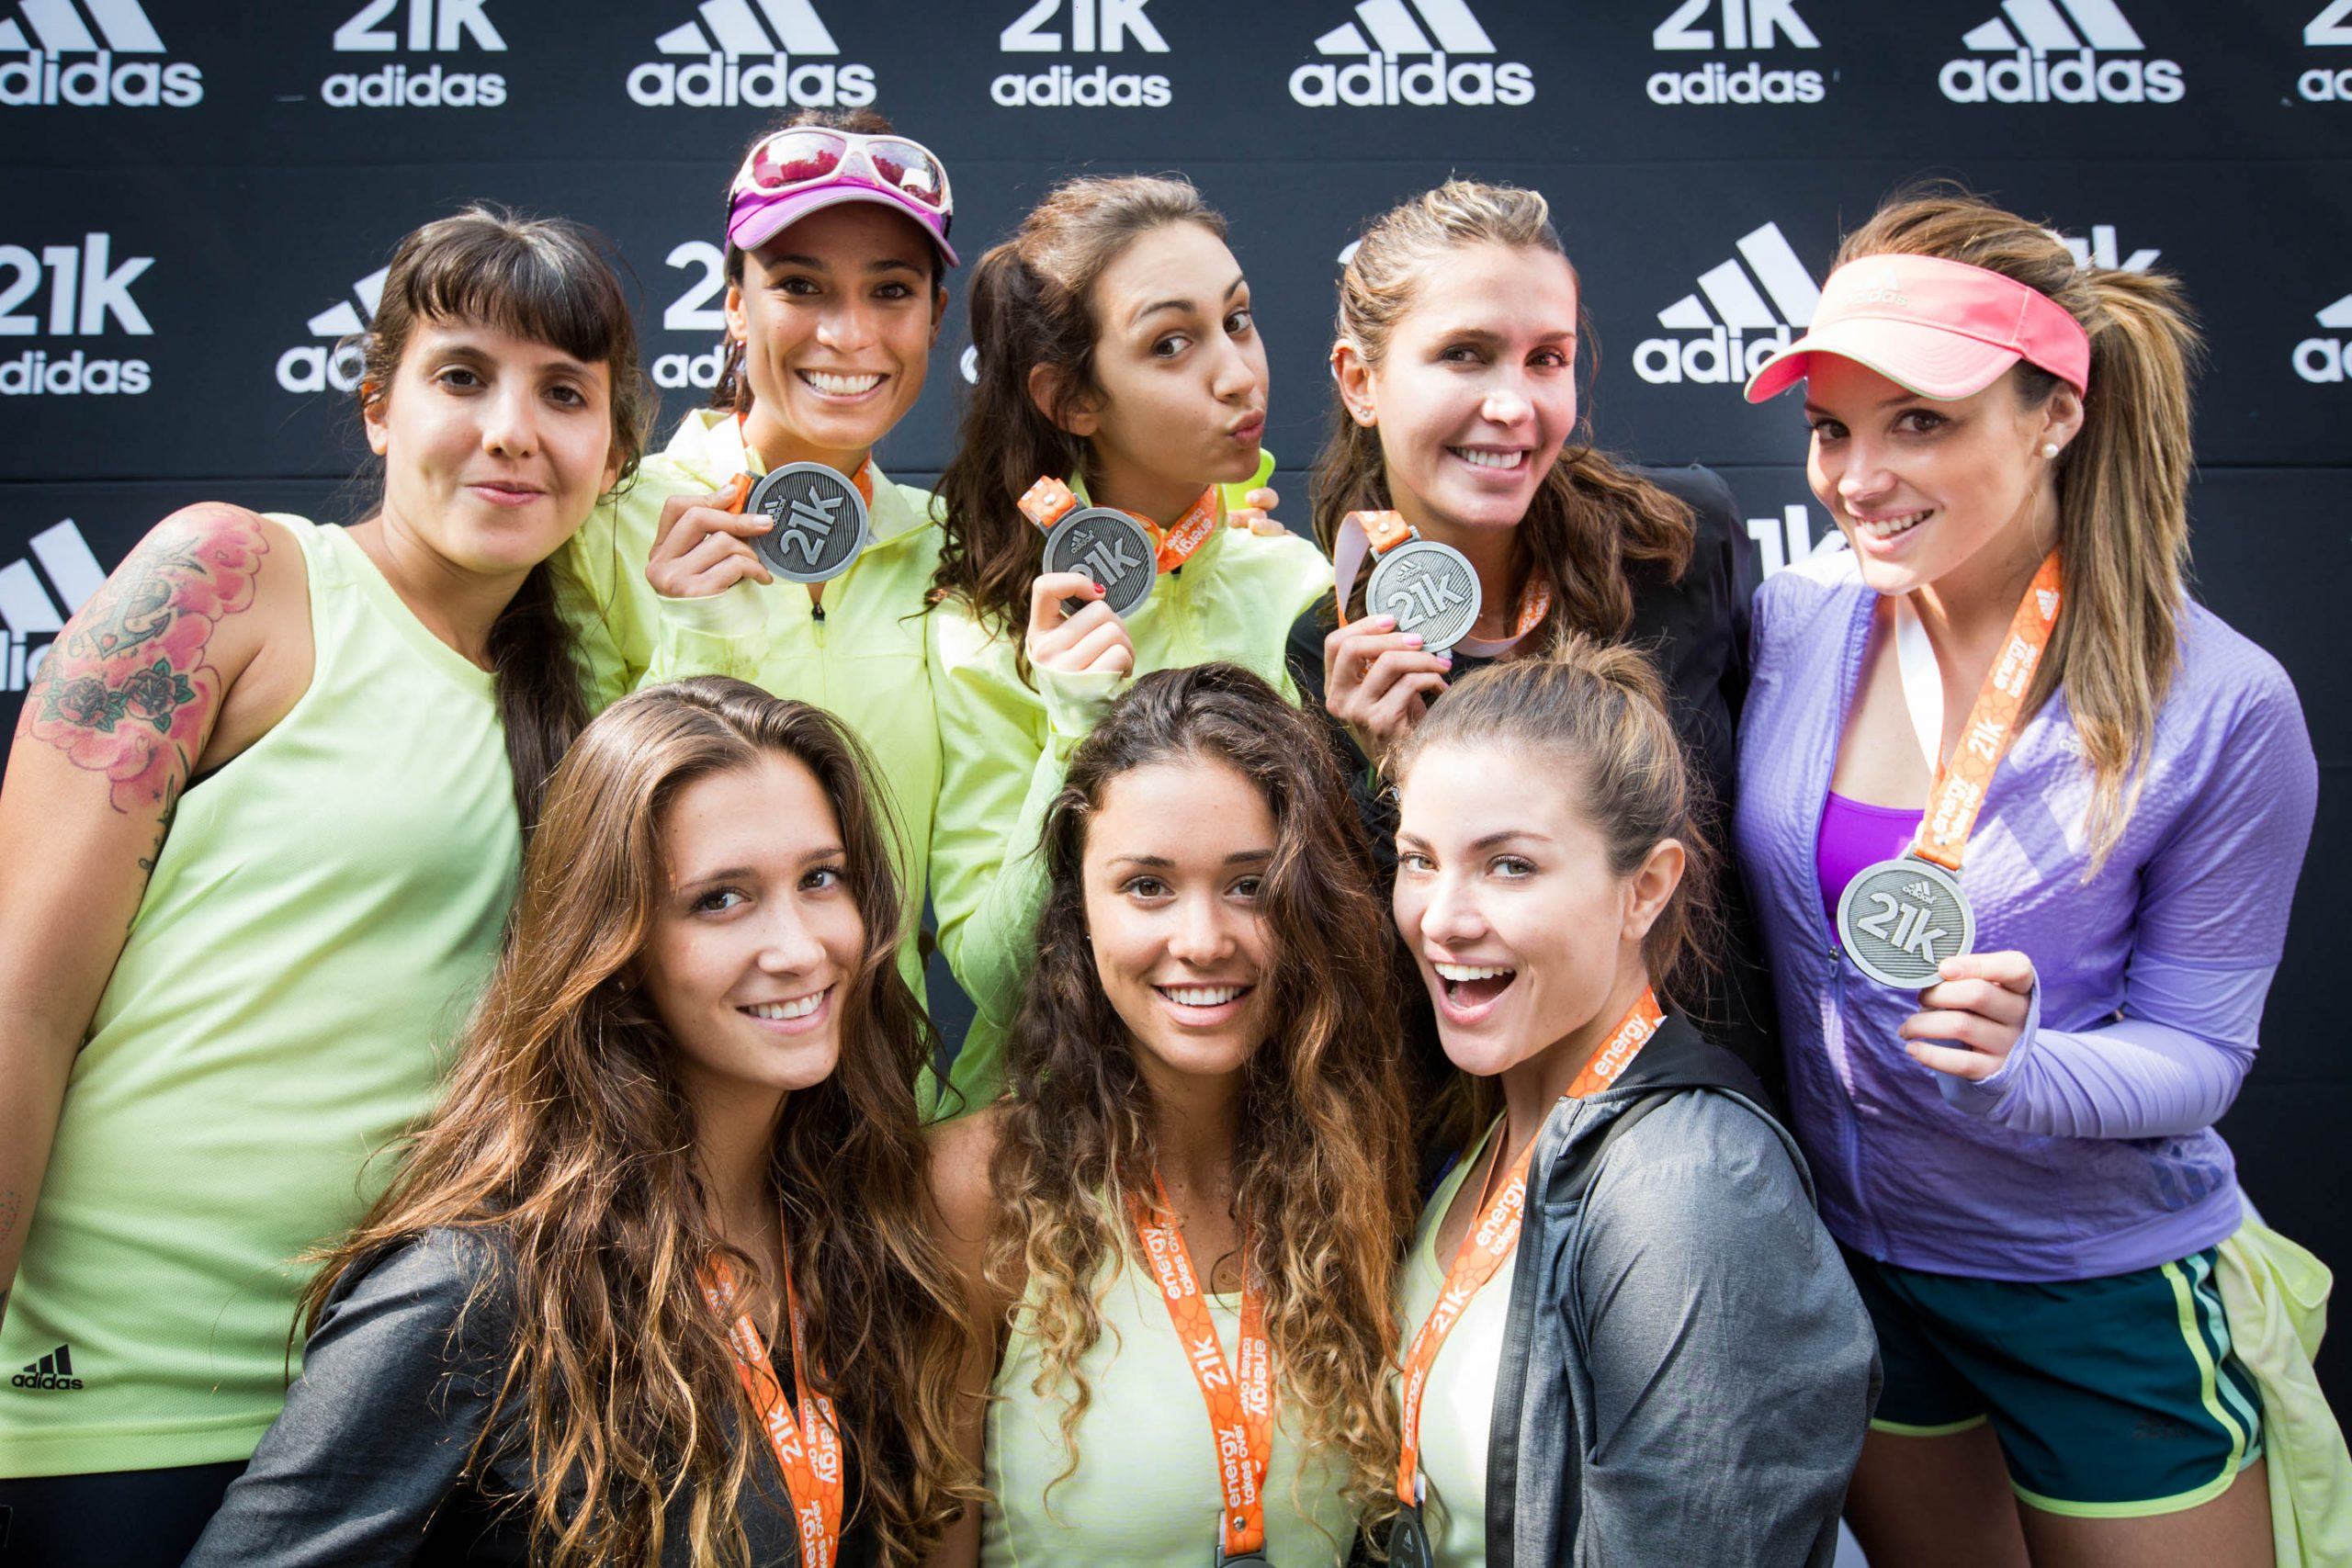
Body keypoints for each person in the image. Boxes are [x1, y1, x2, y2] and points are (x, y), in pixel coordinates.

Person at [0, 208, 649, 1563]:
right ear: (377, 406)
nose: (512, 431)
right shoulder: (236, 579)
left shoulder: (593, 716)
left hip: (409, 1426)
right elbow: (20, 1003)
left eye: (564, 393)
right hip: (113, 1398)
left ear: (613, 449)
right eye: (462, 376)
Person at [1736, 188, 2316, 1566]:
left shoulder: (2222, 704)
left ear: (2054, 411)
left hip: (2092, 1289)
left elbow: (2202, 1051)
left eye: (1918, 422)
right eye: (1831, 429)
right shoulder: (1793, 622)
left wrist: (2028, 1067)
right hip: (1860, 1271)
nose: (1857, 476)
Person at [185, 677, 973, 1567]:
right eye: (721, 898)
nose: (799, 947)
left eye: (820, 878)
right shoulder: (473, 1286)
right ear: (618, 943)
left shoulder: (858, 1227)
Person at [1386, 639, 1877, 1567]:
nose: (1442, 918)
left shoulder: (1690, 1192)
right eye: (1419, 860)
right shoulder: (1484, 1129)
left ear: (1644, 889)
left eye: (1508, 866)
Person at [1284, 178, 1777, 1085]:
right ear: (1360, 381)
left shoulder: (1680, 543)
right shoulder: (1335, 648)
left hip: (1717, 1097)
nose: (1513, 405)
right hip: (1508, 1131)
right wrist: (1390, 773)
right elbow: (1407, 975)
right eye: (1465, 355)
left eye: (1546, 359)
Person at [926, 664, 1415, 1565]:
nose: (1201, 940)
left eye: (1249, 885)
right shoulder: (980, 1191)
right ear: (1079, 910)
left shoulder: (1355, 1168)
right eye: (1147, 886)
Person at [923, 175, 1329, 1112]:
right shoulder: (986, 628)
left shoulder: (1299, 585)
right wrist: (1074, 727)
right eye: (1170, 344)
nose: (1238, 374)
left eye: (1237, 320)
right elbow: (993, 978)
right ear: (1071, 399)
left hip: (1275, 1132)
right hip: (1043, 1139)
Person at [553, 107, 956, 1000]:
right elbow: (570, 857)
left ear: (934, 317)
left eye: (891, 291)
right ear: (735, 305)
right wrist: (694, 640)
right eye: (801, 286)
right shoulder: (603, 524)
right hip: (668, 1073)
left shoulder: (953, 548)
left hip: (891, 1072)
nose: (848, 334)